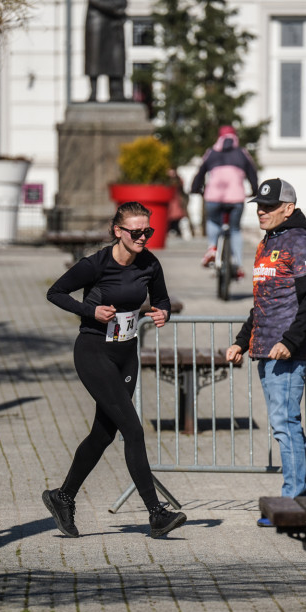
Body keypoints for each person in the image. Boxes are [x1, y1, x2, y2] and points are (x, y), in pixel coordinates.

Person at [43, 201, 187, 539]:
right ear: (117, 231)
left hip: (127, 353)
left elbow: (161, 299)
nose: (142, 238)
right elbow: (55, 292)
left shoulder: (150, 264)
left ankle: (62, 497)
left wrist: (161, 312)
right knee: (133, 429)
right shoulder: (95, 265)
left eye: (147, 231)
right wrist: (89, 312)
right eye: (136, 232)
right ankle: (156, 513)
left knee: (104, 433)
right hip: (94, 351)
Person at [225, 179, 306, 527]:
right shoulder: (268, 243)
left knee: (285, 425)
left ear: (289, 208)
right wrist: (241, 341)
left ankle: (293, 503)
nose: (261, 211)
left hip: (286, 353)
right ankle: (304, 500)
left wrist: (291, 342)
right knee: (286, 425)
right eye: (258, 206)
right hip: (264, 350)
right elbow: (261, 304)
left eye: (269, 206)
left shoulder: (302, 243)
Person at [190, 125, 258, 279]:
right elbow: (253, 174)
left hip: (213, 198)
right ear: (235, 137)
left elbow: (200, 173)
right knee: (234, 230)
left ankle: (212, 248)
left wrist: (195, 189)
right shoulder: (242, 153)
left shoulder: (211, 152)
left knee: (213, 222)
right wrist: (255, 190)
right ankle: (238, 265)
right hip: (236, 199)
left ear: (219, 137)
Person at [83, 0, 127, 102]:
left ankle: (116, 91)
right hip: (97, 20)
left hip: (114, 22)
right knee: (95, 56)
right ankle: (93, 91)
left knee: (116, 56)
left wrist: (117, 8)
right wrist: (114, 9)